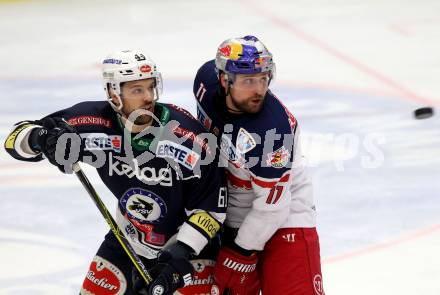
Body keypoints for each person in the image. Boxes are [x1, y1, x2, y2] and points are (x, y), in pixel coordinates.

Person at [4, 49, 227, 295]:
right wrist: (40, 138)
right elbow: (14, 139)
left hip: (187, 249)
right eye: (136, 90)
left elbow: (212, 210)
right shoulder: (92, 122)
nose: (147, 98)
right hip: (127, 241)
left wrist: (179, 253)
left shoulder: (188, 138)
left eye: (150, 87)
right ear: (114, 93)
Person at [193, 36, 325, 295]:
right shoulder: (205, 82)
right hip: (229, 213)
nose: (259, 89)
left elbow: (273, 209)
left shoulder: (271, 134)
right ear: (224, 80)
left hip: (286, 218)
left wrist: (241, 250)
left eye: (264, 78)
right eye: (249, 81)